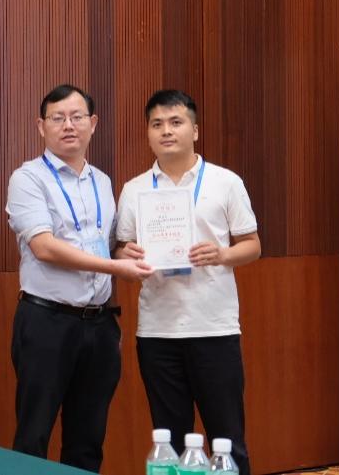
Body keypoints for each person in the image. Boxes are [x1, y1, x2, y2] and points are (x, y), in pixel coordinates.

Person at [6, 84, 154, 472]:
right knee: (33, 435)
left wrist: (126, 255)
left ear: (93, 123)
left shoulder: (101, 181)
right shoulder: (28, 178)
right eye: (57, 118)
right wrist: (116, 268)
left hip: (99, 325)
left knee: (88, 439)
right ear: (41, 127)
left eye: (76, 117)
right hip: (47, 322)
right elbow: (45, 247)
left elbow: (107, 247)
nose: (68, 125)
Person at [114, 89, 261, 475]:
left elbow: (252, 245)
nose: (166, 131)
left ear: (195, 130)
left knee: (228, 440)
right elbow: (121, 250)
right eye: (157, 124)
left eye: (176, 122)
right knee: (170, 443)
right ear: (148, 133)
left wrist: (222, 254)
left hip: (214, 328)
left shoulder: (225, 182)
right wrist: (126, 255)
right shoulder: (134, 189)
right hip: (158, 332)